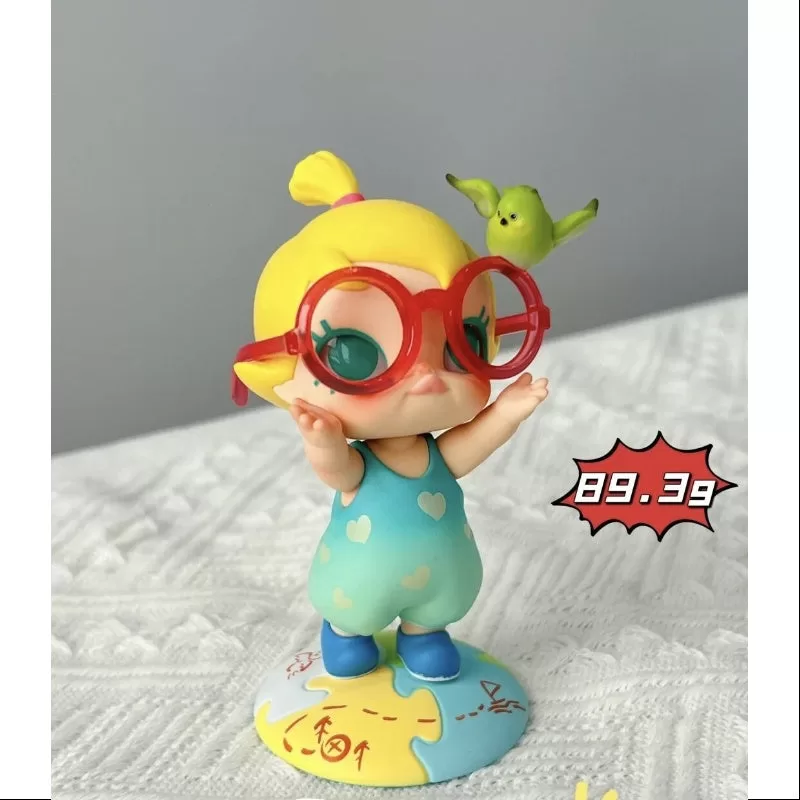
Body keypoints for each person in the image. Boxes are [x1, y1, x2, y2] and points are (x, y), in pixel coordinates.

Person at [232, 151, 550, 682]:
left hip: (440, 577)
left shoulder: (434, 455)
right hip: (358, 582)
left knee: (437, 605)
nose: (424, 375)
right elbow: (341, 473)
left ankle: (423, 633)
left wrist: (507, 412)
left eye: (462, 343)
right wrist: (324, 442)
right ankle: (345, 633)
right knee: (354, 608)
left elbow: (469, 446)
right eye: (355, 353)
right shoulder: (365, 462)